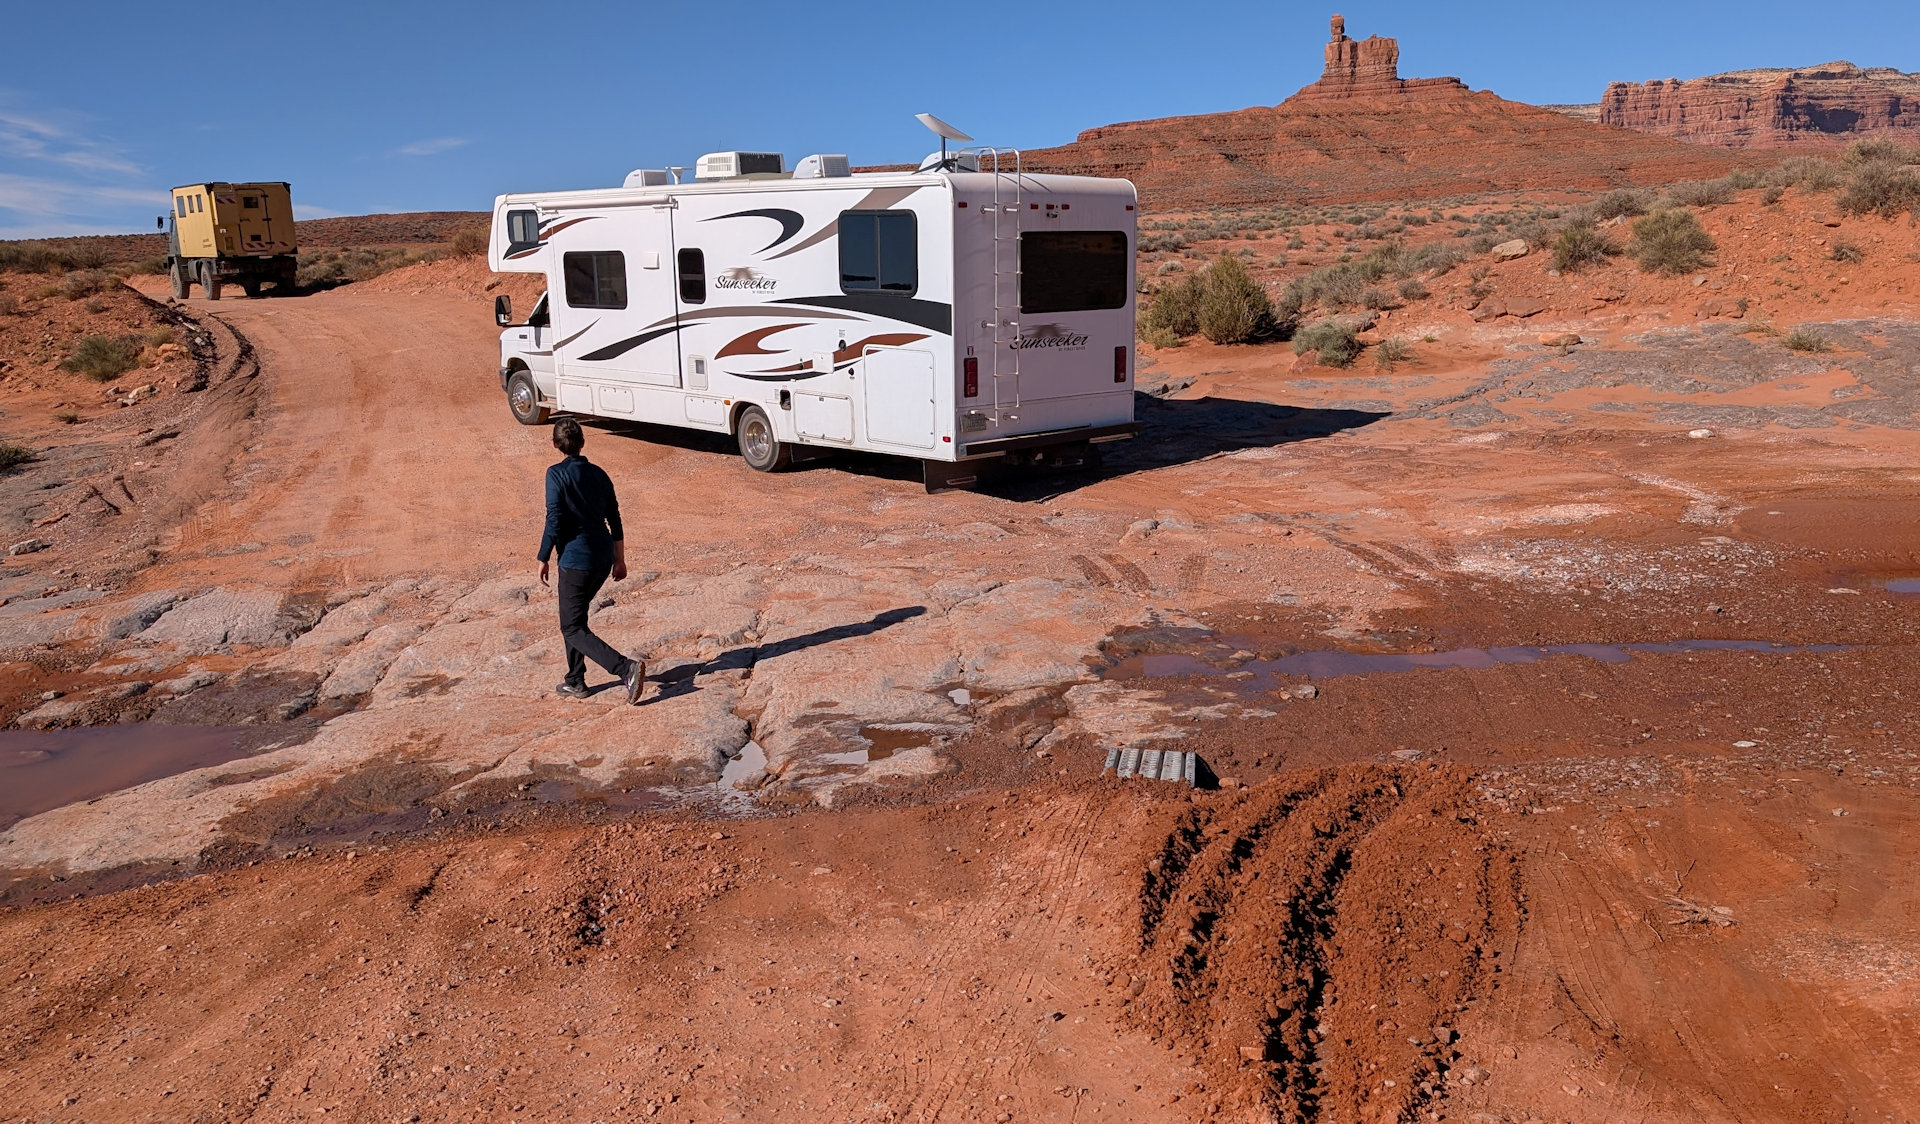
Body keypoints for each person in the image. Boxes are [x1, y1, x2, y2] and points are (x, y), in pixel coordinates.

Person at [536, 417, 645, 703]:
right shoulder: (599, 473)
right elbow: (615, 518)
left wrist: (543, 556)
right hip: (602, 557)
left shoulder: (555, 474)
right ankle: (575, 680)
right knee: (576, 621)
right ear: (582, 442)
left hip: (575, 560)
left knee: (571, 627)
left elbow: (555, 518)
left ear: (555, 445)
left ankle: (626, 669)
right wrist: (619, 559)